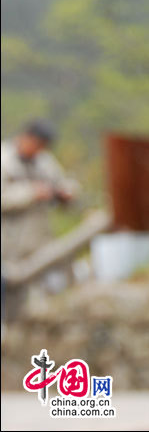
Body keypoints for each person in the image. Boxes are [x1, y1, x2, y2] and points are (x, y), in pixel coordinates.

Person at [1, 119, 80, 319]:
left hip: (39, 239)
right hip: (8, 243)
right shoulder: (4, 159)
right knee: (10, 292)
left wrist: (65, 192)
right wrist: (31, 193)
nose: (39, 149)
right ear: (26, 137)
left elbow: (64, 183)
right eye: (37, 144)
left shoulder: (45, 161)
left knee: (41, 291)